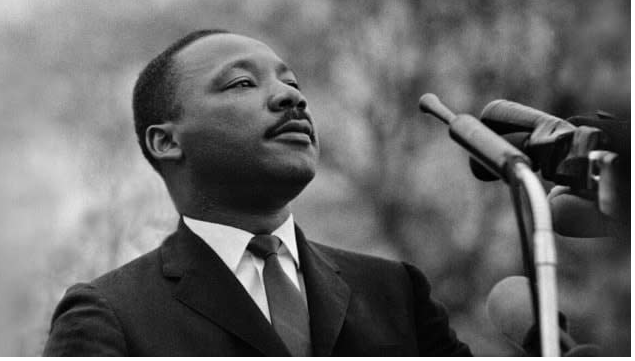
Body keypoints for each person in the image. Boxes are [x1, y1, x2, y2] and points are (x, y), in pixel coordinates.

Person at [42, 29, 472, 356]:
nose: (290, 97)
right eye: (242, 83)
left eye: (294, 84)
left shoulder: (396, 292)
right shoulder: (110, 315)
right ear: (167, 142)